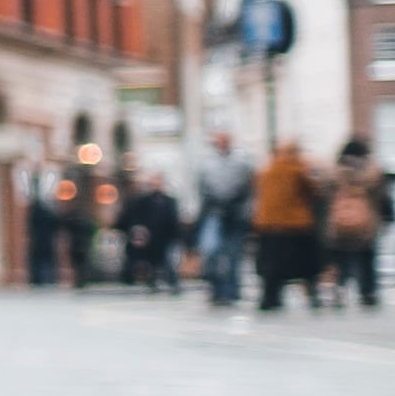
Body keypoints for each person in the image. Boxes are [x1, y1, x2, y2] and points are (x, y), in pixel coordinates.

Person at [255, 139, 327, 311]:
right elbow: (316, 190)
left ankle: (270, 298)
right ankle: (313, 296)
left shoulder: (266, 171)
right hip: (297, 225)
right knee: (307, 265)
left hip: (269, 226)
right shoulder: (299, 169)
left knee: (272, 267)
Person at [196, 129, 255, 308]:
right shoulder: (207, 163)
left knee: (233, 255)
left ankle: (232, 291)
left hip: (235, 215)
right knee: (211, 252)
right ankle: (216, 289)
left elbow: (248, 188)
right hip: (214, 213)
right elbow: (201, 188)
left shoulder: (241, 161)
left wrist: (244, 210)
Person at [330, 138, 386, 311]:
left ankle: (339, 290)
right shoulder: (372, 174)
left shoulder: (335, 175)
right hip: (366, 225)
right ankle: (367, 293)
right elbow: (382, 200)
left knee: (342, 261)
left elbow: (325, 199)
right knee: (367, 260)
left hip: (340, 225)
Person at [119, 173, 187, 292]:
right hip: (151, 238)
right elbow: (138, 218)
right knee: (153, 262)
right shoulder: (144, 200)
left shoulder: (170, 201)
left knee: (169, 262)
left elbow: (174, 220)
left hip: (167, 237)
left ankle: (174, 284)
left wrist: (178, 237)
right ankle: (153, 283)